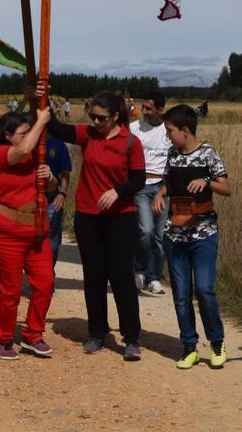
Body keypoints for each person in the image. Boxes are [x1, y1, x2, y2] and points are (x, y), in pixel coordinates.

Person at [45, 90, 146, 360]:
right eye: (93, 117)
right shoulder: (87, 135)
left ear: (115, 116)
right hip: (88, 217)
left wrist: (118, 191)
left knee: (122, 277)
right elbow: (55, 126)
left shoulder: (130, 143)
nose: (96, 122)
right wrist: (42, 97)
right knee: (94, 277)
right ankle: (97, 333)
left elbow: (139, 180)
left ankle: (131, 337)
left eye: (101, 118)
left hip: (120, 218)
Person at [152, 104, 230, 370]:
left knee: (205, 289)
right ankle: (189, 346)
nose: (167, 136)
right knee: (181, 294)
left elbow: (226, 187)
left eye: (170, 131)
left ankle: (217, 342)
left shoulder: (208, 154)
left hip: (203, 233)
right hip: (176, 235)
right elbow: (168, 183)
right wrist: (160, 195)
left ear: (185, 131)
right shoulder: (173, 155)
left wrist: (207, 181)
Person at [0, 107, 57, 359]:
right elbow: (21, 150)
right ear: (8, 135)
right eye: (22, 133)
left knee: (45, 284)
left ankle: (33, 334)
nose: (28, 137)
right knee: (10, 290)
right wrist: (42, 120)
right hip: (4, 231)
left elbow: (50, 187)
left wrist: (50, 177)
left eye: (28, 133)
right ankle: (1, 339)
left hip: (36, 230)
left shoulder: (35, 154)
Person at [132, 92, 171, 296]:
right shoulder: (134, 128)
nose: (144, 112)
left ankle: (153, 277)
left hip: (164, 187)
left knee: (159, 235)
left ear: (160, 109)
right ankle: (138, 270)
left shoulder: (170, 130)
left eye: (149, 108)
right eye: (143, 107)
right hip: (141, 186)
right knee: (145, 231)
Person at [45, 129, 73, 272]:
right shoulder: (28, 143)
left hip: (52, 197)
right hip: (30, 198)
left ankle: (49, 273)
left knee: (53, 243)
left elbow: (65, 172)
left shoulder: (57, 144)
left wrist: (62, 194)